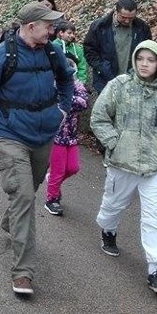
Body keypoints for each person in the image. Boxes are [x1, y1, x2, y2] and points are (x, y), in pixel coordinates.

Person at [0, 1, 74, 296]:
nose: (53, 30)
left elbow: (67, 80)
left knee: (27, 191)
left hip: (44, 134)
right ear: (31, 27)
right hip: (11, 133)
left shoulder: (52, 51)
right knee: (24, 194)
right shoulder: (2, 56)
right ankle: (23, 273)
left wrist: (63, 110)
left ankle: (11, 218)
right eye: (49, 26)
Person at [91, 40, 157, 296]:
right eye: (141, 58)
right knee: (113, 204)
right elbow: (99, 117)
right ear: (134, 60)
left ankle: (155, 268)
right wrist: (115, 142)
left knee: (155, 216)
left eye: (151, 59)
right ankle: (108, 230)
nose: (145, 64)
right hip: (122, 163)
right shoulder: (118, 86)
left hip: (154, 167)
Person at [44, 54, 89, 216]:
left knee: (73, 168)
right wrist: (68, 99)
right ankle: (52, 199)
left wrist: (66, 98)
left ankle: (52, 184)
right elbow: (50, 101)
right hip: (55, 136)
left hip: (71, 135)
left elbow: (84, 103)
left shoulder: (76, 85)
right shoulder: (51, 84)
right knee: (58, 169)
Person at [83, 0, 152, 94]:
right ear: (116, 11)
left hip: (134, 80)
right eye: (123, 17)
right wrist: (102, 67)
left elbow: (148, 51)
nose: (127, 21)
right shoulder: (99, 27)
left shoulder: (142, 28)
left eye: (131, 18)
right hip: (106, 80)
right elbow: (89, 50)